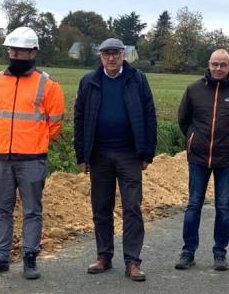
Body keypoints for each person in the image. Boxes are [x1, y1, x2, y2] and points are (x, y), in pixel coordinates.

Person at [0, 26, 65, 280]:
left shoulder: (48, 85)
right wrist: (4, 140)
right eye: (12, 49)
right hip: (1, 157)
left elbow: (55, 121)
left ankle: (30, 257)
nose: (15, 54)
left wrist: (35, 140)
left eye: (21, 50)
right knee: (1, 209)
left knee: (31, 211)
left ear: (33, 52)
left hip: (32, 158)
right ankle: (0, 258)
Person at [73, 38, 157, 282]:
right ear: (100, 56)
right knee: (101, 207)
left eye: (116, 54)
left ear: (123, 55)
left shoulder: (137, 79)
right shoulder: (89, 81)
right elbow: (79, 118)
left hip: (129, 154)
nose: (111, 58)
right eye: (106, 54)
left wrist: (147, 153)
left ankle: (132, 261)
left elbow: (149, 115)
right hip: (99, 155)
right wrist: (82, 155)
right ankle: (104, 256)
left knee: (132, 207)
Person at [175, 49, 229, 271]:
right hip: (198, 158)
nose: (218, 68)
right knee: (193, 205)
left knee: (223, 206)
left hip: (226, 159)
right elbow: (183, 120)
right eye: (214, 64)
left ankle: (220, 253)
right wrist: (193, 140)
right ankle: (187, 252)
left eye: (223, 64)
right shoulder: (194, 89)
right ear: (208, 65)